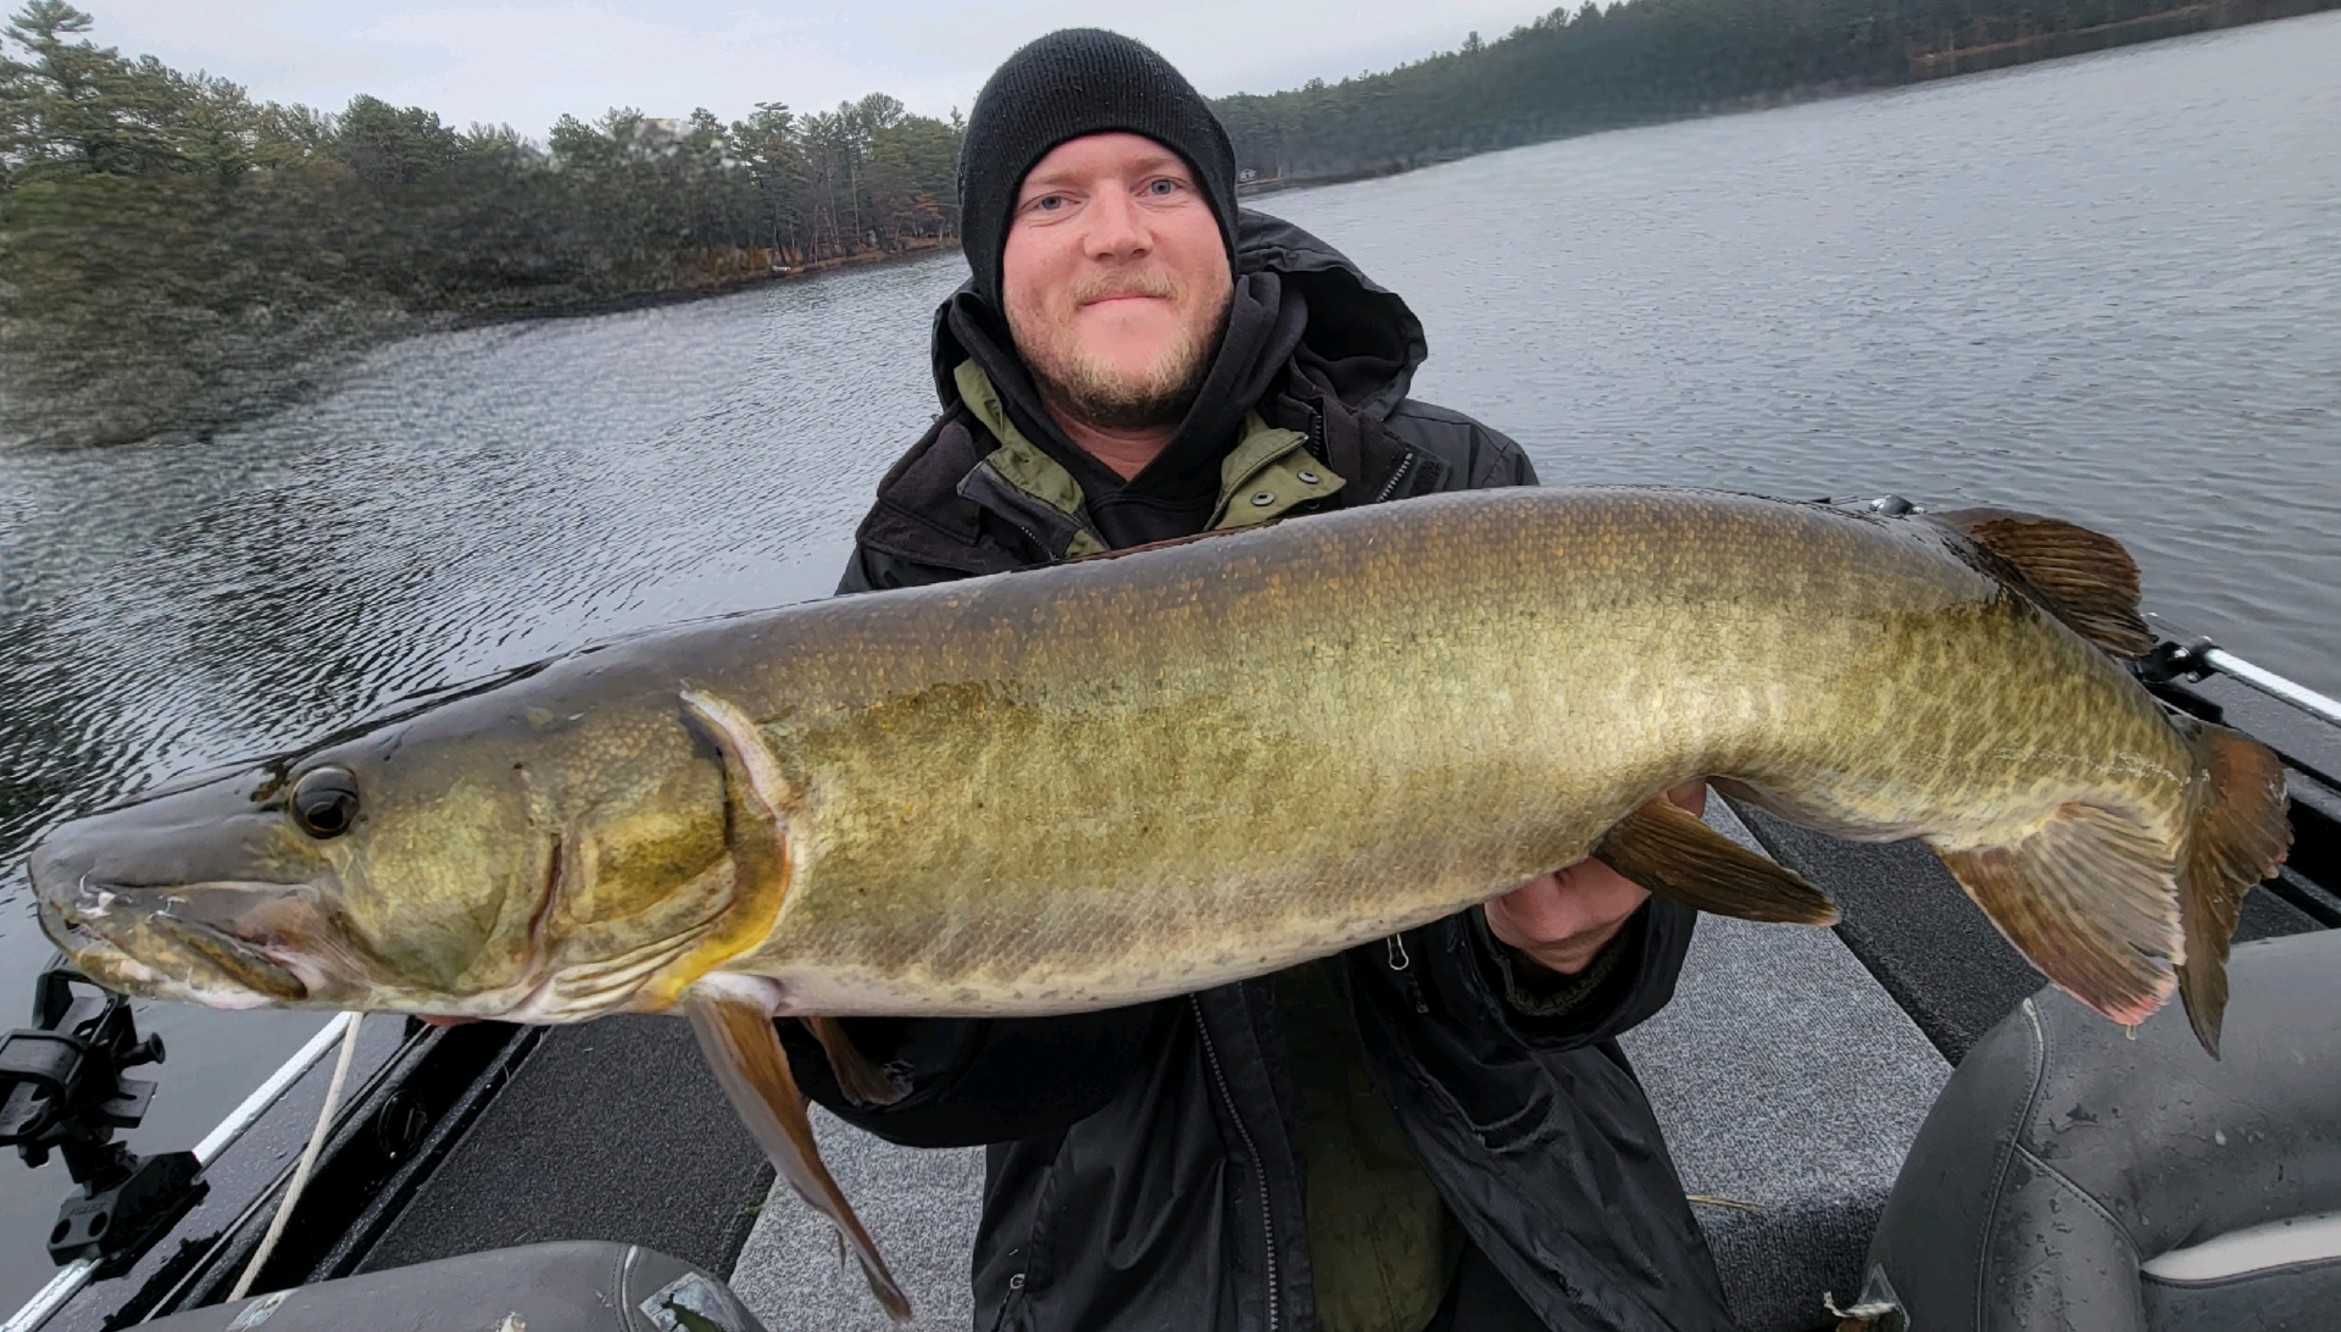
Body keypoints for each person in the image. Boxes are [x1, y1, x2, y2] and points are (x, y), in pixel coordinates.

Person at [780, 28, 1736, 1332]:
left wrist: (1575, 952)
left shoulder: (1448, 485)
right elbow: (943, 1095)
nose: (1115, 230)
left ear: (1223, 228)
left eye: (1161, 185)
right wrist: (869, 994)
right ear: (993, 263)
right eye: (1053, 198)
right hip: (1138, 1259)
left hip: (1522, 1223)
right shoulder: (910, 577)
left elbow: (1610, 957)